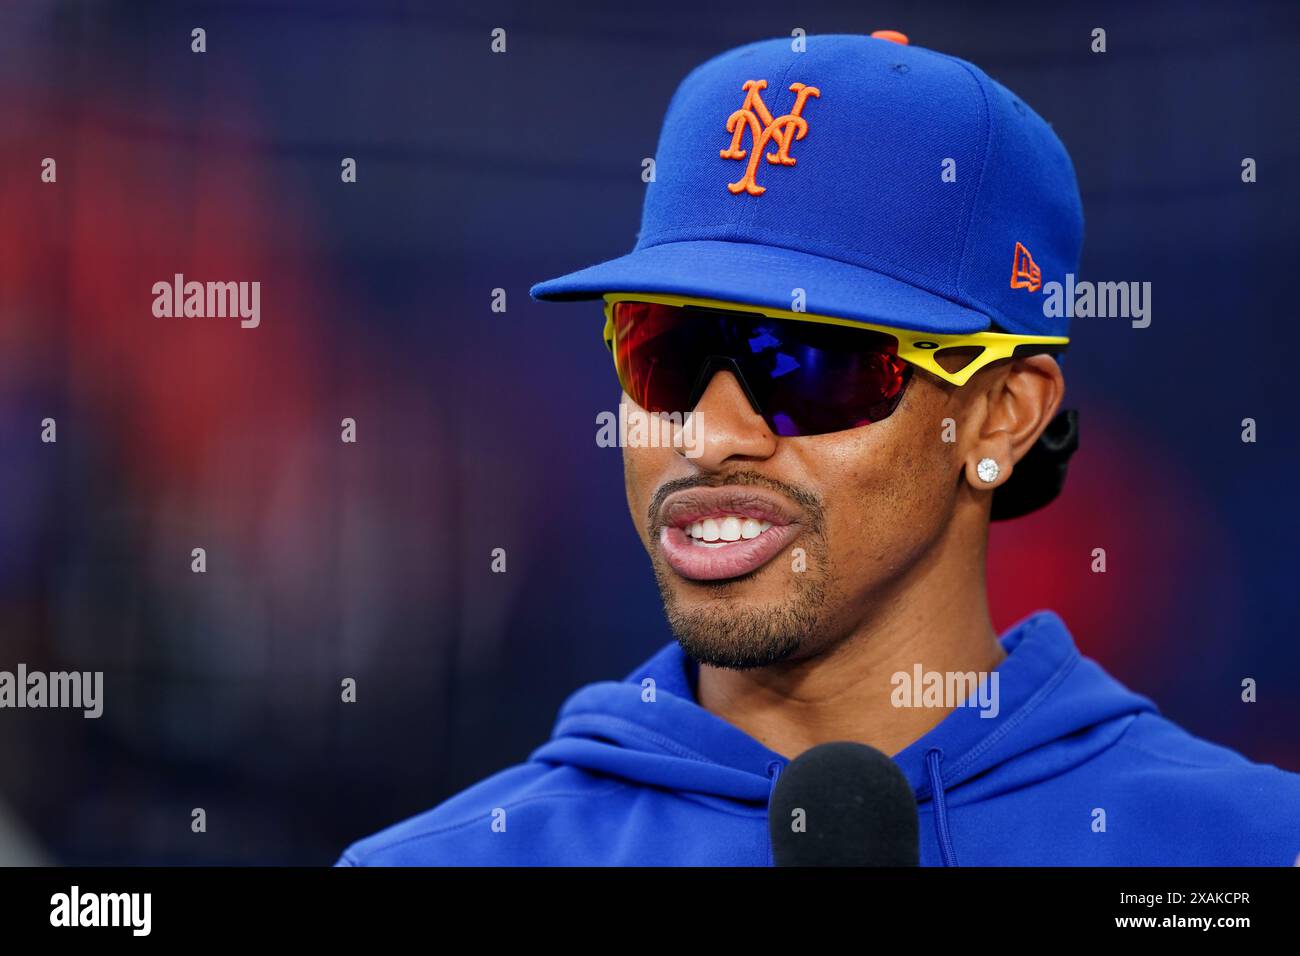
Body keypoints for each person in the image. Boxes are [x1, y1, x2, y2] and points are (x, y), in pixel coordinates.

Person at [338, 32, 1300, 866]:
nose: (712, 436)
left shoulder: (1244, 853)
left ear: (1003, 416)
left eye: (810, 364)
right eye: (662, 353)